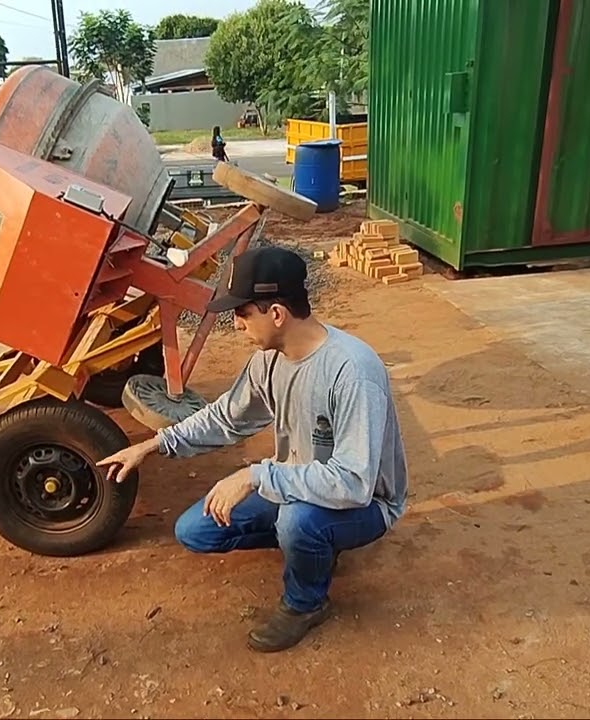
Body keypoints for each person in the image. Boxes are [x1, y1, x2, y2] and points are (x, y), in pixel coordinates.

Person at [97, 245, 409, 652]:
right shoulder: (268, 361)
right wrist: (154, 445)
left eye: (243, 313)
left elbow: (353, 482)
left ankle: (305, 602)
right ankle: (314, 545)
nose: (237, 324)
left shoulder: (351, 372)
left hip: (367, 504)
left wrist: (256, 475)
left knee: (299, 521)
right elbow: (227, 417)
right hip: (299, 484)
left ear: (276, 313)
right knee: (195, 531)